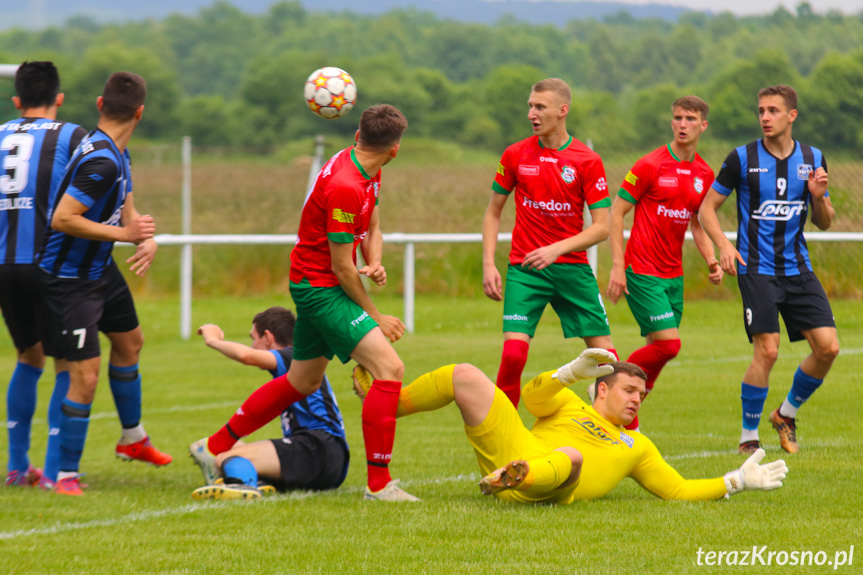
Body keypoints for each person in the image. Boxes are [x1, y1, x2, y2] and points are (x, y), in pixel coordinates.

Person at [189, 104, 417, 502]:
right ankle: (380, 485)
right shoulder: (346, 183)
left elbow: (373, 226)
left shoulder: (366, 167)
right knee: (389, 368)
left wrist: (375, 261)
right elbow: (343, 269)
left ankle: (213, 446)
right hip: (321, 287)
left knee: (302, 381)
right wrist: (375, 317)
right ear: (396, 148)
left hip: (316, 282)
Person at [353, 349, 788, 503]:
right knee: (465, 373)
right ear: (601, 390)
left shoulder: (637, 446)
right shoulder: (570, 406)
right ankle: (388, 401)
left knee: (572, 457)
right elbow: (532, 397)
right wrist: (568, 374)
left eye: (642, 393)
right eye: (629, 390)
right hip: (515, 449)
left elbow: (678, 490)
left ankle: (515, 479)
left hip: (552, 484)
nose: (637, 398)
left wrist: (735, 481)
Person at [36, 71, 172, 496]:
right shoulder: (101, 160)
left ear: (100, 104)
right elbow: (62, 218)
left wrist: (142, 237)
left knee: (131, 341)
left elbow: (127, 213)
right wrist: (125, 237)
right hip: (68, 280)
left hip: (98, 272)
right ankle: (66, 476)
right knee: (86, 377)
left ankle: (132, 439)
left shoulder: (119, 153)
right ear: (141, 112)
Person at [698, 85, 840, 454]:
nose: (764, 117)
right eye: (761, 110)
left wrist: (818, 196)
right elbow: (706, 209)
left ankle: (785, 414)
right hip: (756, 267)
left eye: (773, 111)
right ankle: (748, 438)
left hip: (798, 268)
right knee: (769, 351)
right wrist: (724, 245)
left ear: (791, 115)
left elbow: (825, 222)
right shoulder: (741, 158)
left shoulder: (813, 157)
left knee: (828, 348)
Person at [482, 78, 616, 409]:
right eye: (530, 105)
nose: (531, 113)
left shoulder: (587, 160)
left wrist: (557, 248)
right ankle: (502, 439)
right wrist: (488, 264)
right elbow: (493, 212)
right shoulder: (515, 154)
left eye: (539, 106)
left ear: (562, 111)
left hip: (572, 270)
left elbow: (602, 227)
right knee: (513, 354)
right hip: (526, 270)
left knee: (608, 360)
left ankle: (631, 439)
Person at [606, 96, 722, 431]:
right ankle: (610, 384)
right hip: (642, 271)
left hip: (673, 275)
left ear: (703, 125)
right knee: (669, 345)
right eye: (677, 118)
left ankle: (628, 424)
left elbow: (697, 222)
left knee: (657, 350)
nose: (682, 124)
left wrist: (711, 258)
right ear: (671, 122)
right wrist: (617, 265)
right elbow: (616, 213)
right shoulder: (650, 165)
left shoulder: (703, 172)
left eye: (690, 118)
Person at [1, 61, 87, 489]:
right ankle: (55, 471)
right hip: (52, 265)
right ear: (59, 98)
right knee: (66, 363)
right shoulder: (73, 136)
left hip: (5, 265)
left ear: (16, 101)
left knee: (26, 357)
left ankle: (18, 468)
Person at [188, 306, 349, 501]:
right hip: (328, 457)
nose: (253, 345)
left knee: (226, 458)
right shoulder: (301, 364)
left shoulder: (293, 357)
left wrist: (212, 340)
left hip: (316, 448)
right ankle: (258, 482)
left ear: (267, 337)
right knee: (230, 447)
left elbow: (246, 356)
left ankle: (242, 486)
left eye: (253, 338)